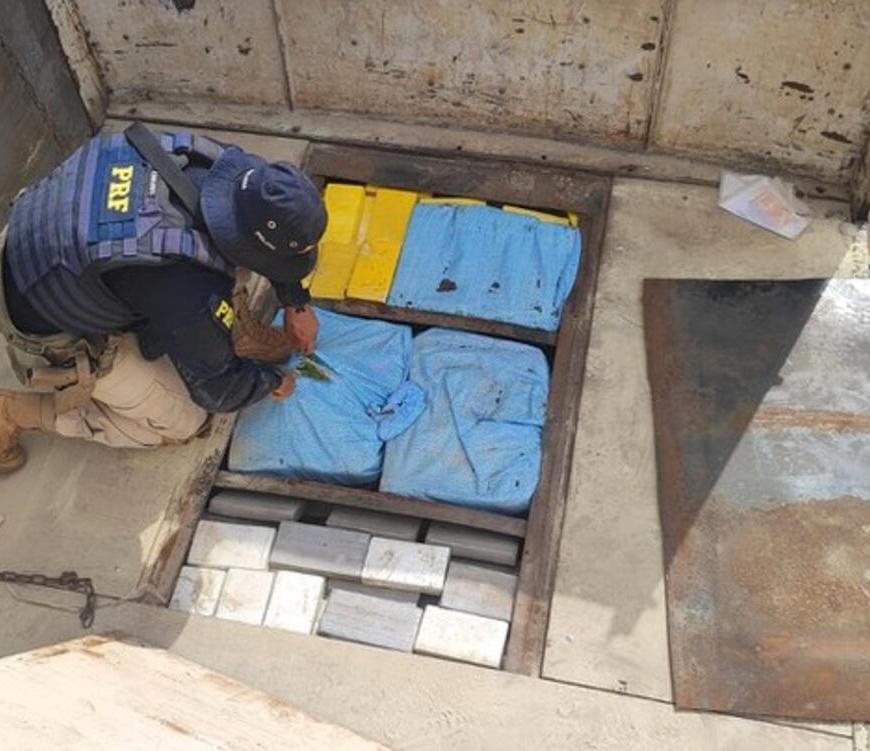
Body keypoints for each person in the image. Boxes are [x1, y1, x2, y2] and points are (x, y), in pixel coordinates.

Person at [0, 123, 327, 474]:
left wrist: (296, 303)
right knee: (184, 421)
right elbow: (218, 390)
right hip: (42, 316)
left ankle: (214, 335)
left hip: (45, 230)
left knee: (210, 279)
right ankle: (12, 411)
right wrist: (272, 381)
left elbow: (247, 241)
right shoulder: (186, 287)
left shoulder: (222, 166)